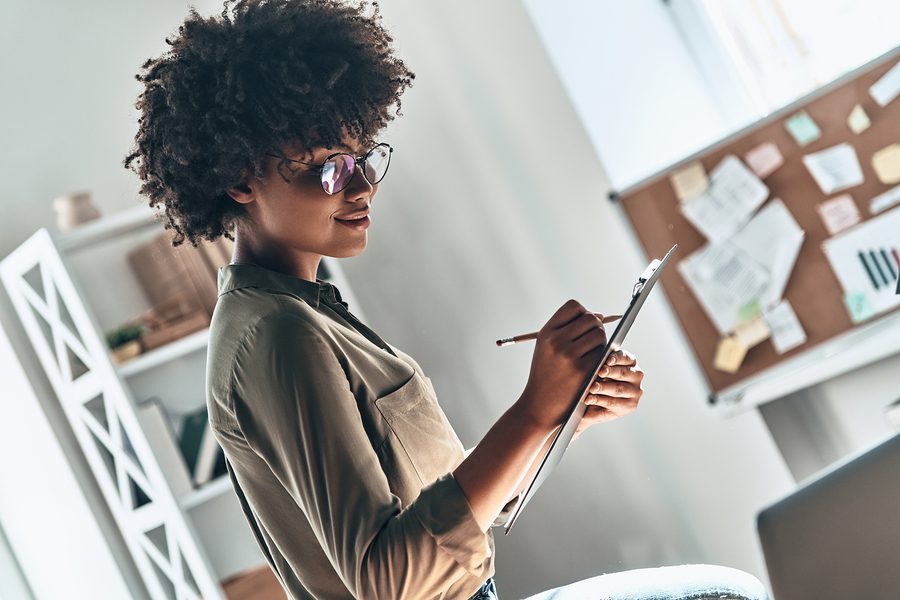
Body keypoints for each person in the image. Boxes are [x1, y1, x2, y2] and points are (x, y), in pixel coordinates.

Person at [123, 1, 769, 599]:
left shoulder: (305, 310)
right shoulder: (274, 336)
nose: (365, 185)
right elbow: (388, 582)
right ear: (240, 179)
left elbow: (452, 516)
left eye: (365, 157)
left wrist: (555, 417)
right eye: (330, 168)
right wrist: (530, 411)